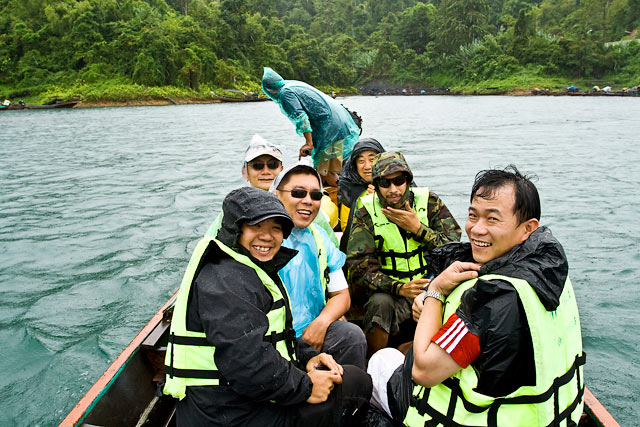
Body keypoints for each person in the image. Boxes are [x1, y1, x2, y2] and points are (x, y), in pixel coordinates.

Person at [368, 165, 585, 426]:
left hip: (478, 419)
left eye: (492, 219)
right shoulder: (550, 272)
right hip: (550, 416)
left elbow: (423, 371)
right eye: (473, 215)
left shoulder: (494, 296)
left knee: (382, 360)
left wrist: (434, 293)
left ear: (528, 228)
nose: (476, 229)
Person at [163, 187, 372, 426]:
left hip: (235, 400)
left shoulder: (247, 268)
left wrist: (308, 357)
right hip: (225, 413)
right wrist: (306, 387)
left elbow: (273, 338)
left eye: (275, 228)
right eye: (256, 227)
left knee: (346, 377)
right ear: (235, 230)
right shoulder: (227, 281)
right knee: (356, 383)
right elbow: (245, 362)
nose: (267, 236)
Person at [346, 152, 461, 357]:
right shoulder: (365, 211)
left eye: (399, 181)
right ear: (376, 184)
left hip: (430, 285)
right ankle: (375, 361)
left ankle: (420, 352)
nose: (393, 189)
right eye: (385, 183)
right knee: (380, 304)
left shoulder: (430, 202)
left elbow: (454, 247)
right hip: (390, 292)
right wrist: (399, 288)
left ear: (408, 180)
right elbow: (358, 266)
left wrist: (418, 228)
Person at [272, 164, 367, 369]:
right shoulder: (262, 238)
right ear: (277, 195)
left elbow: (341, 295)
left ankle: (347, 397)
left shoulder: (319, 237)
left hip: (311, 332)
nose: (308, 200)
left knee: (352, 336)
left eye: (316, 195)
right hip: (270, 338)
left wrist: (322, 323)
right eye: (298, 193)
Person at [204, 135, 338, 247]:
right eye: (258, 166)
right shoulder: (235, 207)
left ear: (282, 169)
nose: (266, 171)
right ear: (246, 172)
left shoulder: (303, 203)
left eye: (273, 165)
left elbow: (330, 242)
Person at [261, 67, 360, 187]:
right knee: (328, 169)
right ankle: (335, 196)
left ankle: (338, 194)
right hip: (339, 124)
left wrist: (309, 143)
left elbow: (300, 117)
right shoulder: (292, 84)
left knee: (322, 170)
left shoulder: (285, 93)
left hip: (329, 130)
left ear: (268, 89)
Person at [336, 137, 385, 249]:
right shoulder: (348, 186)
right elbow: (346, 227)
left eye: (372, 160)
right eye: (361, 161)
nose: (367, 166)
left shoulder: (397, 182)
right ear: (355, 165)